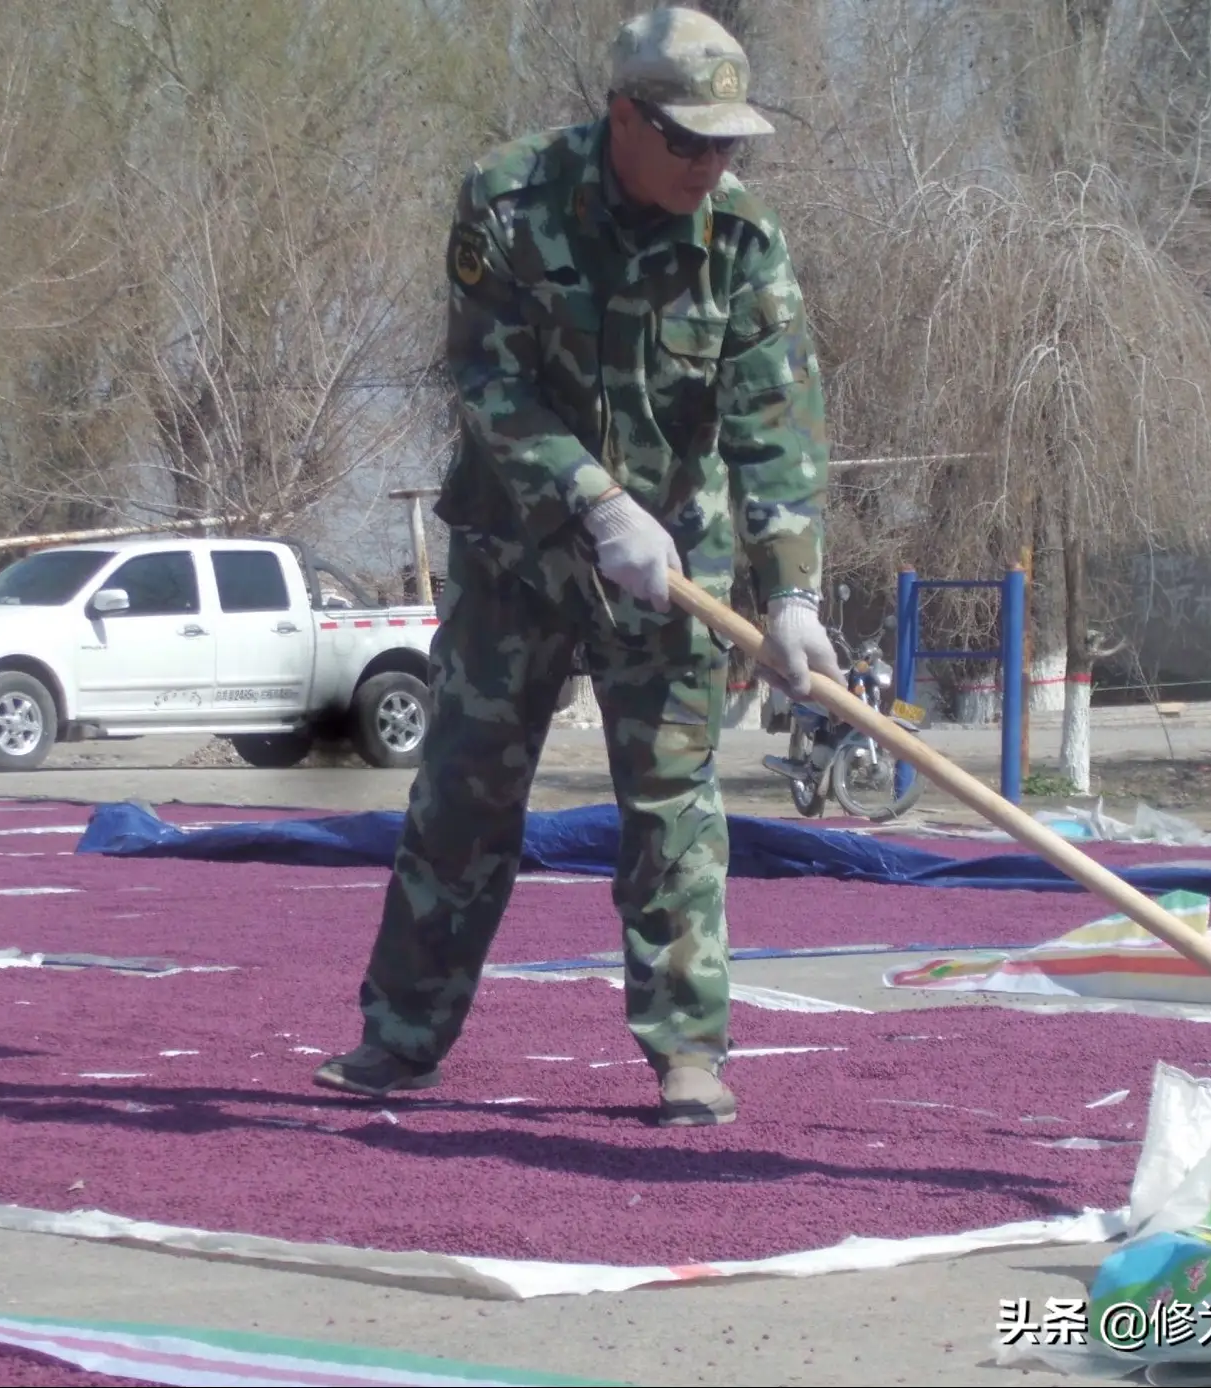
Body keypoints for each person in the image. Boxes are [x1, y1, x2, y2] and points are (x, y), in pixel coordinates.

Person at [313, 6, 842, 1127]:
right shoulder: (508, 197)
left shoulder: (744, 244)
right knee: (462, 794)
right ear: (623, 118)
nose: (713, 163)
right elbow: (487, 383)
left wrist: (790, 590)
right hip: (517, 552)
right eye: (690, 141)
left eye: (728, 144)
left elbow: (775, 431)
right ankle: (399, 1037)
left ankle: (688, 1051)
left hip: (671, 571)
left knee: (672, 809)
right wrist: (592, 496)